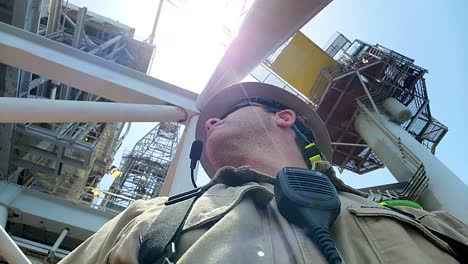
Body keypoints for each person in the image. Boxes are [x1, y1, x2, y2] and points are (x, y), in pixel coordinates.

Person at [60, 83, 468, 264]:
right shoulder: (147, 218)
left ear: (285, 118)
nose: (210, 124)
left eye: (225, 115)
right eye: (209, 123)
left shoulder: (431, 225)